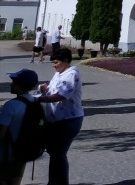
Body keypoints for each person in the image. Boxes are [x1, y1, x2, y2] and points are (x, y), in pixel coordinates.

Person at [37, 48, 83, 185]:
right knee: (54, 153)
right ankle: (53, 182)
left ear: (65, 61)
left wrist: (38, 100)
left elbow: (61, 95)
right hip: (55, 120)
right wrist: (45, 89)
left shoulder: (71, 74)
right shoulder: (59, 73)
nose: (54, 65)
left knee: (58, 153)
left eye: (56, 62)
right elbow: (53, 90)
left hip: (68, 120)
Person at [0, 68, 39, 185]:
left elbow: (1, 133)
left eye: (14, 82)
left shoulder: (10, 105)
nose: (11, 84)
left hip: (5, 154)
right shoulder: (36, 103)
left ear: (20, 85)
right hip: (24, 152)